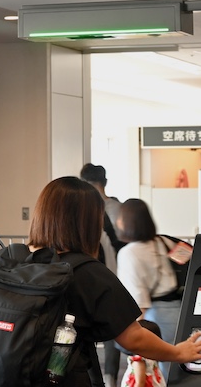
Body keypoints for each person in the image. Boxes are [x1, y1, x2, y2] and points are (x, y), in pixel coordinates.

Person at [27, 177, 201, 387]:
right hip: (63, 376)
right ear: (86, 224)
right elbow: (133, 337)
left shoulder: (6, 260)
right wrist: (178, 352)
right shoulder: (89, 272)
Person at [116, 198, 184, 377]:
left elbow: (137, 301)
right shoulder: (164, 241)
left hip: (156, 318)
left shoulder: (128, 253)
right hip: (180, 311)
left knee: (160, 373)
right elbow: (189, 258)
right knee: (181, 367)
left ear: (128, 222)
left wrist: (136, 339)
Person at [80, 163, 125, 386]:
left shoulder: (85, 210)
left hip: (96, 277)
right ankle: (110, 377)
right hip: (118, 275)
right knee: (114, 327)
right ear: (104, 182)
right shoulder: (118, 208)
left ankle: (101, 378)